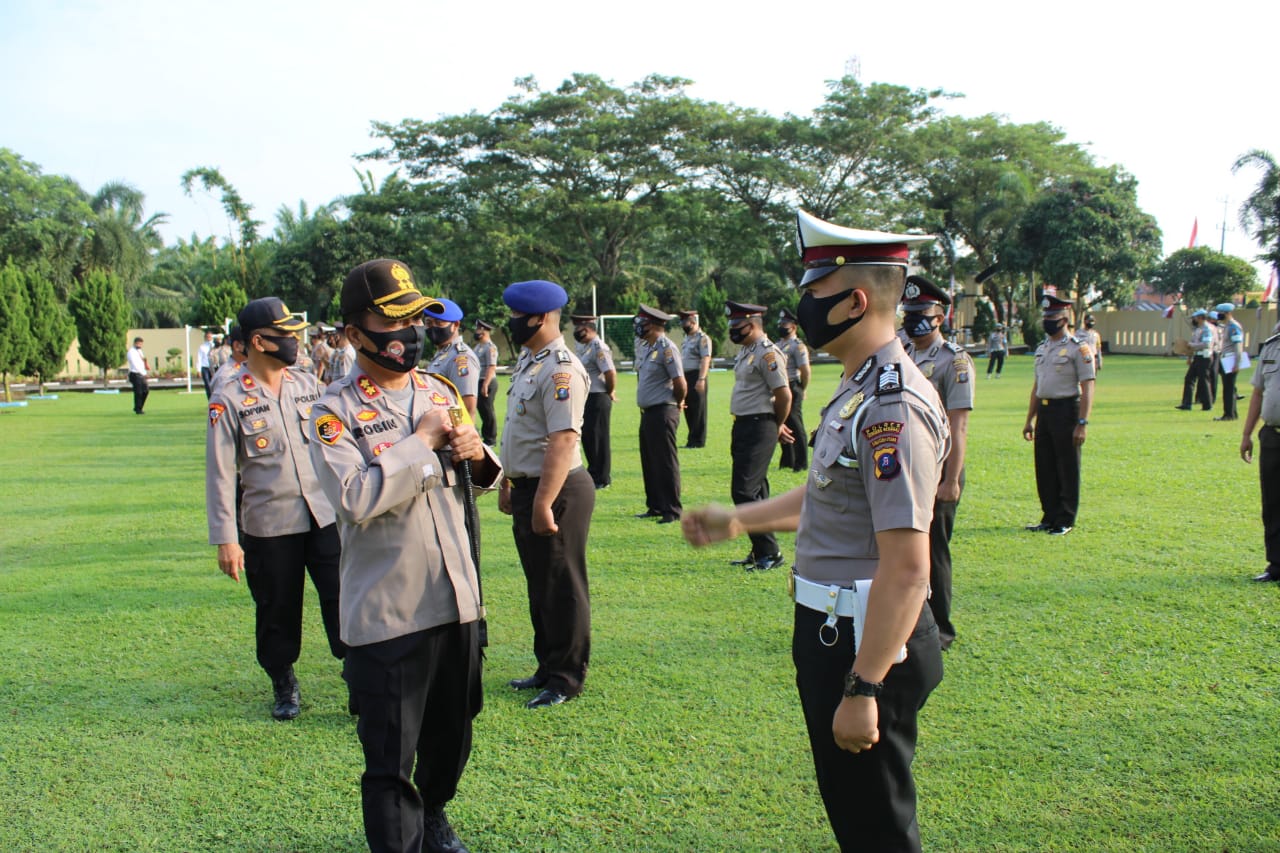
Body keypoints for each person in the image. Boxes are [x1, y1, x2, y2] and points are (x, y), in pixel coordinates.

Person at [683, 209, 946, 852]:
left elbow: (910, 569)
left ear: (856, 301)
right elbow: (832, 498)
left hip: (865, 641)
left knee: (876, 824)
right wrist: (739, 520)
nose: (802, 307)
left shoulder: (890, 406)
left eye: (814, 292)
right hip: (837, 631)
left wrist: (864, 684)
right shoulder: (858, 389)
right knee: (855, 813)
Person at [309, 258, 499, 853]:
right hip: (390, 612)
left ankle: (436, 812)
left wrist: (475, 450)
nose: (409, 332)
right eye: (393, 321)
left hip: (455, 599)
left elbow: (483, 478)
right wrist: (421, 444)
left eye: (416, 317)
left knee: (453, 736)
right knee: (390, 760)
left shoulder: (438, 390)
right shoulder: (330, 411)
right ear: (354, 334)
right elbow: (353, 497)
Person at [205, 297, 346, 721]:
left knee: (344, 597)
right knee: (277, 607)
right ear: (259, 341)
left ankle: (357, 672)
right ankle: (282, 680)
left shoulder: (307, 384)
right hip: (270, 524)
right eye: (284, 335)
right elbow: (220, 473)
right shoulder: (228, 397)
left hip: (324, 515)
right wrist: (227, 539)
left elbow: (335, 443)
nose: (294, 341)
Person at [499, 281, 594, 709]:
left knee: (562, 584)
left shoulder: (560, 369)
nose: (512, 322)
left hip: (556, 489)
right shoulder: (529, 362)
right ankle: (547, 664)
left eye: (517, 316)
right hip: (528, 486)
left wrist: (541, 502)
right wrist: (508, 481)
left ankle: (566, 677)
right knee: (540, 583)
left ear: (539, 317)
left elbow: (563, 439)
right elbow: (521, 432)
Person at [901, 275, 974, 651]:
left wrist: (951, 479)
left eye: (921, 314)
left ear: (940, 317)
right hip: (905, 466)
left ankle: (941, 628)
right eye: (909, 312)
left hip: (938, 467)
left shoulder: (954, 362)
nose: (913, 319)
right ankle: (911, 619)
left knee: (934, 549)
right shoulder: (903, 353)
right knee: (905, 547)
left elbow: (959, 425)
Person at [725, 300, 792, 571]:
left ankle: (770, 552)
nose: (733, 331)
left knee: (743, 491)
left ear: (752, 325)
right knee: (757, 491)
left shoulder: (768, 354)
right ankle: (760, 549)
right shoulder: (747, 351)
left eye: (737, 326)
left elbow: (784, 394)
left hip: (759, 425)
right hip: (743, 425)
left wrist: (777, 424)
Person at [1023, 294, 1096, 536]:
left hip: (1066, 410)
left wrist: (1082, 423)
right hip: (1044, 411)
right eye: (1045, 317)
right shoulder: (1043, 348)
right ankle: (1049, 515)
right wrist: (1029, 419)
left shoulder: (1079, 348)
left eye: (1052, 317)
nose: (1047, 321)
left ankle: (1065, 518)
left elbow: (1088, 386)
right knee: (1044, 467)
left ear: (1064, 319)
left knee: (1067, 466)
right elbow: (1037, 386)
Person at [633, 304, 687, 523]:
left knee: (665, 462)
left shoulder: (667, 348)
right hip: (649, 412)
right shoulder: (648, 347)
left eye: (642, 322)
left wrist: (679, 401)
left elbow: (680, 381)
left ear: (653, 325)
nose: (639, 326)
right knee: (650, 460)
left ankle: (672, 509)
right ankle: (655, 505)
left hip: (663, 410)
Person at [1242, 324, 1280, 582]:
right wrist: (1246, 434)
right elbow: (1258, 392)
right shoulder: (1271, 346)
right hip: (1272, 435)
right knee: (1273, 503)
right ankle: (1276, 565)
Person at [571, 313, 617, 489]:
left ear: (589, 328)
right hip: (587, 397)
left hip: (598, 396)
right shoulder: (585, 347)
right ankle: (594, 471)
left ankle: (602, 477)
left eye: (579, 328)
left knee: (599, 437)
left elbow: (610, 372)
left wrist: (609, 390)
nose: (576, 331)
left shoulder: (599, 346)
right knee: (589, 437)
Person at [423, 297, 480, 417]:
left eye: (439, 323)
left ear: (455, 325)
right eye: (429, 323)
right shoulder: (443, 354)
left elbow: (468, 408)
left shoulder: (461, 358)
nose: (433, 327)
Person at [776, 308, 810, 472]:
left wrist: (802, 388)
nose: (781, 326)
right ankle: (787, 459)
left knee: (795, 424)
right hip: (780, 387)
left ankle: (801, 462)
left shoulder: (798, 346)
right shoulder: (778, 344)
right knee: (783, 422)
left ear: (794, 327)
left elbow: (805, 370)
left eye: (785, 324)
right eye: (780, 323)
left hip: (792, 384)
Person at [678, 309, 712, 449]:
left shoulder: (702, 338)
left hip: (697, 375)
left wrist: (701, 379)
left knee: (698, 409)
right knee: (689, 409)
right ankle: (691, 439)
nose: (683, 325)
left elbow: (706, 358)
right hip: (686, 376)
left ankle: (698, 441)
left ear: (693, 322)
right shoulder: (687, 338)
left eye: (685, 322)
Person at [1176, 309, 1214, 412]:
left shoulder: (1207, 329)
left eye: (1195, 318)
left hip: (1204, 357)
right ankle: (1186, 403)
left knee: (1203, 381)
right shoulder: (1198, 329)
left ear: (1201, 317)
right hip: (1197, 357)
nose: (1194, 320)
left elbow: (1206, 344)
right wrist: (1190, 357)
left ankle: (1207, 405)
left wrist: (1192, 346)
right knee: (1189, 378)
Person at [1215, 302, 1245, 421]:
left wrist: (1236, 363)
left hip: (1231, 359)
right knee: (1229, 388)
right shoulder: (1227, 326)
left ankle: (1229, 414)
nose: (1219, 315)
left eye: (1221, 313)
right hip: (1226, 358)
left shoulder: (1233, 326)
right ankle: (1231, 413)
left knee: (1228, 388)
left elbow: (1238, 346)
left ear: (1228, 313)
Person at [472, 320, 500, 445]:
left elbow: (491, 366)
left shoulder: (490, 347)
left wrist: (485, 384)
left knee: (488, 410)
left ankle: (491, 439)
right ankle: (485, 436)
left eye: (478, 329)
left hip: (488, 381)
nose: (476, 332)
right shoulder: (478, 347)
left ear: (483, 331)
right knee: (481, 410)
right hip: (478, 381)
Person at [126, 336, 149, 414]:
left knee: (145, 391)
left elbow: (142, 362)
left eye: (141, 344)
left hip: (141, 374)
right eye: (138, 343)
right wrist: (143, 373)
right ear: (135, 343)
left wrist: (145, 372)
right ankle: (138, 409)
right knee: (138, 392)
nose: (140, 345)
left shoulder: (140, 351)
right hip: (135, 374)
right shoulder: (131, 352)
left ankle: (138, 407)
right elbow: (134, 364)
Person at [198, 329, 216, 398]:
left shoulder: (214, 346)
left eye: (210, 336)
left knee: (214, 383)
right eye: (207, 336)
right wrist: (198, 369)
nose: (209, 338)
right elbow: (199, 358)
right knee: (207, 384)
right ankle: (210, 399)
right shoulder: (202, 347)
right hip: (205, 367)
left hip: (213, 367)